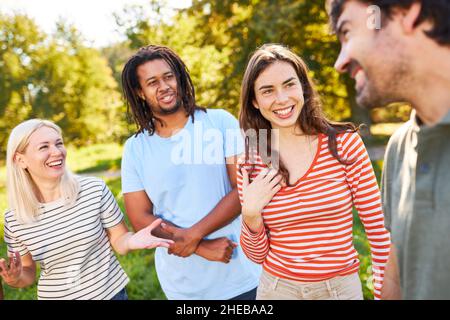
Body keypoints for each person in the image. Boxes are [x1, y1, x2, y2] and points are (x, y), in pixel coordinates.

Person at [237, 43, 391, 300]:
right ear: (254, 101)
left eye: (289, 84)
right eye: (267, 90)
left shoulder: (344, 144)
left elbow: (378, 231)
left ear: (303, 88)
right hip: (277, 290)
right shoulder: (251, 162)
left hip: (340, 290)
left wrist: (382, 295)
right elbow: (257, 255)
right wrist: (250, 214)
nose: (282, 98)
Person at [328, 0, 450, 299]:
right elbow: (395, 277)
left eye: (346, 32)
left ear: (405, 11)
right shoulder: (399, 148)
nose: (340, 62)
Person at [120, 44, 261, 300]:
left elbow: (243, 189)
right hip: (183, 286)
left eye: (168, 76)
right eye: (152, 82)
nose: (163, 86)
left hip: (243, 273)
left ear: (180, 78)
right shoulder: (135, 149)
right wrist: (201, 247)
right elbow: (140, 217)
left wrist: (193, 235)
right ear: (140, 92)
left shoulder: (220, 122)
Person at [0, 119, 173, 300]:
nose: (56, 151)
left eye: (59, 143)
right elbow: (27, 272)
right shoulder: (14, 219)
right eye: (44, 147)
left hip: (110, 295)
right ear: (20, 159)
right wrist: (16, 277)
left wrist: (132, 241)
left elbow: (119, 239)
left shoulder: (94, 189)